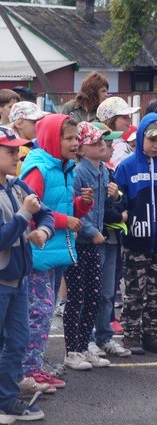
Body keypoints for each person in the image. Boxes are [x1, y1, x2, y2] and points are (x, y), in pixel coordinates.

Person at [0, 126, 53, 425]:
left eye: (18, 151)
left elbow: (47, 214)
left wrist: (42, 230)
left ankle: (6, 399)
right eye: (11, 151)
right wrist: (23, 216)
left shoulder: (16, 186)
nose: (18, 156)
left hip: (18, 279)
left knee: (18, 341)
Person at [20, 115, 96, 376]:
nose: (75, 143)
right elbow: (30, 210)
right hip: (38, 252)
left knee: (45, 313)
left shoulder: (64, 167)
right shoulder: (38, 169)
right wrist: (66, 220)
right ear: (53, 138)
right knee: (37, 314)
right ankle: (28, 370)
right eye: (69, 138)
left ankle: (35, 365)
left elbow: (61, 206)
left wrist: (82, 206)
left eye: (77, 138)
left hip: (54, 252)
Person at [71, 122, 129, 360]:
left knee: (106, 292)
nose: (103, 145)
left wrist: (115, 199)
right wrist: (92, 231)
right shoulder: (78, 172)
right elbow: (75, 209)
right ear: (81, 149)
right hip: (87, 241)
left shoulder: (105, 170)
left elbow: (109, 207)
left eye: (103, 141)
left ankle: (103, 336)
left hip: (104, 238)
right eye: (96, 142)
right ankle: (87, 339)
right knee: (86, 294)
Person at [113, 113, 157, 354]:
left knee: (154, 293)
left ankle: (151, 334)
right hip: (135, 242)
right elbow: (118, 200)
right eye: (151, 140)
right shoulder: (127, 166)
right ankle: (130, 335)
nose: (155, 145)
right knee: (134, 291)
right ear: (140, 138)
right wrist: (122, 214)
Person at [96, 97, 140, 165]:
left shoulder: (115, 142)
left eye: (128, 116)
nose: (130, 120)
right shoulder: (118, 147)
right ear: (111, 120)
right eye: (124, 117)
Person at [9, 101, 46, 173]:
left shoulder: (33, 144)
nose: (39, 125)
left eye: (40, 122)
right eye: (34, 122)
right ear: (18, 124)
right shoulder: (19, 149)